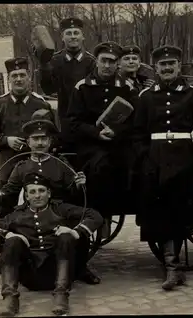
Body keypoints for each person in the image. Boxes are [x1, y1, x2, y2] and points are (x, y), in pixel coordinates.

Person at [0, 111, 100, 285]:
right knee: (13, 225)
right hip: (33, 211)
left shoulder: (60, 163)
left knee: (76, 224)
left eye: (43, 139)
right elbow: (9, 192)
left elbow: (74, 192)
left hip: (59, 212)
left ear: (50, 141)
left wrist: (78, 184)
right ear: (28, 142)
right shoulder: (21, 167)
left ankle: (80, 267)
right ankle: (7, 259)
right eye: (35, 139)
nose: (39, 143)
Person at [133, 45, 193, 291]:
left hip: (184, 159)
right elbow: (137, 134)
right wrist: (145, 157)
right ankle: (172, 265)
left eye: (172, 64)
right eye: (162, 65)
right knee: (157, 208)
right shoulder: (146, 97)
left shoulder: (192, 95)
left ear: (180, 66)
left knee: (180, 208)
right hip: (155, 160)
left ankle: (173, 266)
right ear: (155, 68)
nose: (167, 68)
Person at [0, 173, 103, 316]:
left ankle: (61, 295)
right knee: (13, 242)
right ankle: (10, 298)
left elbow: (95, 215)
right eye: (32, 192)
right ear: (26, 196)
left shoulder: (60, 209)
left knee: (65, 237)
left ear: (49, 193)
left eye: (41, 191)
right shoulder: (17, 215)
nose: (37, 196)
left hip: (56, 270)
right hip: (30, 276)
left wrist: (75, 232)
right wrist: (9, 235)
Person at [65, 41, 138, 238]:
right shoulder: (82, 87)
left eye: (112, 61)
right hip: (90, 146)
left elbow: (136, 121)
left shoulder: (127, 88)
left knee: (136, 164)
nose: (107, 66)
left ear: (118, 64)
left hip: (119, 143)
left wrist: (118, 133)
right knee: (100, 165)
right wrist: (96, 133)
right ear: (96, 61)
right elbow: (73, 122)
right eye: (104, 61)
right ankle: (100, 216)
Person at [0, 57, 56, 220]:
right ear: (9, 79)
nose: (18, 79)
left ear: (29, 77)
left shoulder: (41, 103)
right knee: (5, 205)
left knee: (41, 200)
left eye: (22, 75)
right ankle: (4, 237)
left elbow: (53, 134)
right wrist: (6, 140)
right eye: (14, 76)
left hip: (37, 162)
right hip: (9, 162)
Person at [38, 17, 96, 152]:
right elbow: (48, 89)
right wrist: (44, 65)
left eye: (76, 33)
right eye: (68, 33)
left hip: (87, 123)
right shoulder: (54, 61)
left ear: (83, 37)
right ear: (62, 38)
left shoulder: (92, 63)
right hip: (63, 123)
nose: (73, 37)